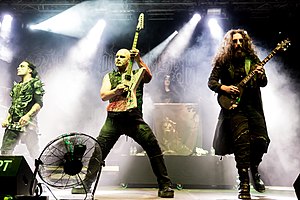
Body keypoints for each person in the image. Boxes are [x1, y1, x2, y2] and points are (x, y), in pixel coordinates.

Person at [72, 48, 174, 198]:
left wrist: (139, 60)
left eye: (122, 57)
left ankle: (165, 186)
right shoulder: (109, 76)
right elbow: (103, 95)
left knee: (154, 148)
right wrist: (116, 91)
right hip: (113, 119)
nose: (118, 59)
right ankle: (87, 184)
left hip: (134, 119)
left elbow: (148, 77)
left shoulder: (137, 74)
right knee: (99, 150)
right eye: (116, 56)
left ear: (128, 60)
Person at [208, 29, 270, 199]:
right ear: (230, 43)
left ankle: (254, 169)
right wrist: (225, 88)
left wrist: (262, 75)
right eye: (234, 41)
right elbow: (211, 82)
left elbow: (263, 83)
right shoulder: (223, 61)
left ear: (245, 42)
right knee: (241, 144)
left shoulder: (253, 60)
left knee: (261, 141)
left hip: (253, 107)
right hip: (234, 108)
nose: (237, 44)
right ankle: (243, 184)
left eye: (240, 41)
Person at [1, 60, 45, 159]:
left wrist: (28, 115)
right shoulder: (17, 87)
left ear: (29, 70)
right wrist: (7, 118)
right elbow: (13, 106)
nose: (18, 68)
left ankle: (38, 173)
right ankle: (7, 174)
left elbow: (39, 103)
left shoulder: (35, 84)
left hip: (29, 125)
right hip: (13, 125)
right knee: (5, 150)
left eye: (22, 66)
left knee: (34, 153)